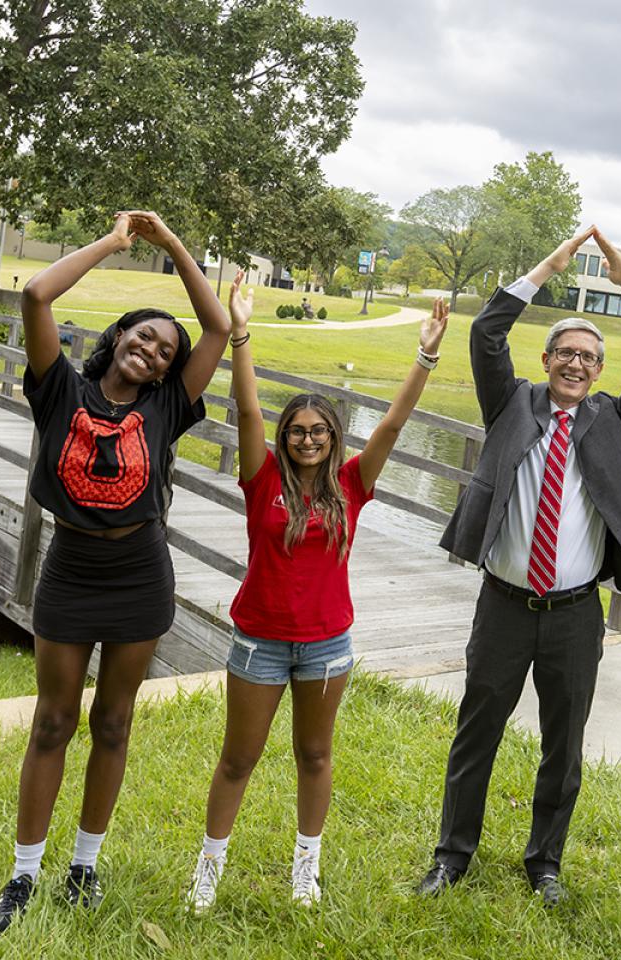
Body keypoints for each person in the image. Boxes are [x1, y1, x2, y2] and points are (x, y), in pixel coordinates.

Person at [416, 226, 621, 907]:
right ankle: (452, 856)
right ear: (547, 356)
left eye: (588, 356)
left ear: (598, 369)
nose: (576, 363)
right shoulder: (510, 401)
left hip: (573, 615)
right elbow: (485, 334)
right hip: (504, 604)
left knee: (564, 747)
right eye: (565, 351)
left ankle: (546, 863)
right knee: (477, 732)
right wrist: (554, 263)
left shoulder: (614, 419)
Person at [0, 212, 229, 936]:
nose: (153, 352)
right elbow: (35, 296)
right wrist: (117, 242)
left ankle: (84, 865)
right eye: (143, 336)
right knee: (54, 721)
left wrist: (178, 245)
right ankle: (24, 875)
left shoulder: (167, 407)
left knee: (114, 723)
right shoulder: (57, 388)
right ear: (118, 336)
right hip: (70, 571)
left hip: (139, 574)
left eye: (164, 350)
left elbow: (216, 330)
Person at [186, 271, 449, 912]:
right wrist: (240, 331)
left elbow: (392, 423)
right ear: (286, 435)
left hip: (328, 645)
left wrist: (426, 354)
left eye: (320, 431)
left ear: (333, 437)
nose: (308, 439)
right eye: (298, 430)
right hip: (259, 642)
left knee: (315, 755)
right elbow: (247, 409)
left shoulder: (352, 485)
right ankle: (208, 868)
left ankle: (307, 866)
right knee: (237, 760)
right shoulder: (262, 475)